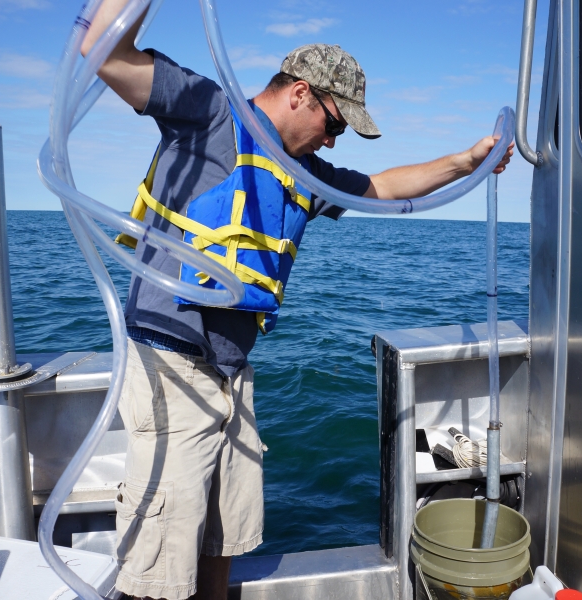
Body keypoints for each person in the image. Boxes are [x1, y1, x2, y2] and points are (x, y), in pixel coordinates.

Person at [81, 3, 513, 599]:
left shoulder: (302, 174)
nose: (333, 140)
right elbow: (104, 53)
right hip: (171, 366)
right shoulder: (207, 111)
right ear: (301, 94)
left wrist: (466, 162)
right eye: (334, 125)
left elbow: (382, 187)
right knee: (160, 558)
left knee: (222, 540)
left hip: (231, 374)